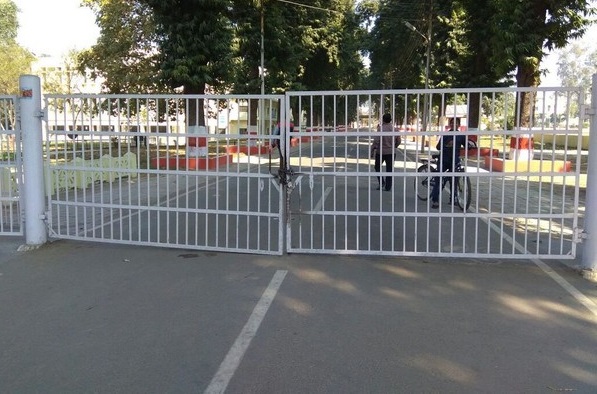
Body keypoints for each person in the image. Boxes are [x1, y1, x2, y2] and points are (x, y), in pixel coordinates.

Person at [431, 117, 467, 208]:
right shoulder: (445, 135)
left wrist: (471, 145)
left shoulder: (461, 136)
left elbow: (466, 145)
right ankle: (435, 200)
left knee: (453, 180)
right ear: (450, 124)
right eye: (452, 123)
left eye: (456, 123)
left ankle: (453, 199)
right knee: (439, 179)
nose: (454, 125)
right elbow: (438, 147)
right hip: (444, 159)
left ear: (459, 125)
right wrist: (447, 145)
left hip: (454, 160)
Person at [371, 113, 400, 191]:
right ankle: (388, 186)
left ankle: (382, 182)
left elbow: (376, 141)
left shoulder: (380, 129)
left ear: (383, 120)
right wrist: (394, 146)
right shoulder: (395, 129)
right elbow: (398, 141)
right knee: (389, 169)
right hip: (391, 152)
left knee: (377, 167)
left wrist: (372, 149)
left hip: (381, 152)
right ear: (390, 120)